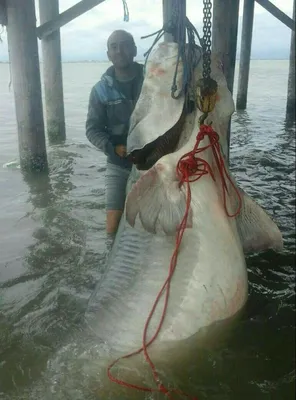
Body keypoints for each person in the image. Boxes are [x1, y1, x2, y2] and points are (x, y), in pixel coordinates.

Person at [85, 30, 144, 242]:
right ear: (108, 54)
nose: (120, 50)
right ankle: (111, 257)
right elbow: (92, 130)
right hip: (118, 161)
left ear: (135, 50)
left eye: (125, 45)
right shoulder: (100, 90)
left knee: (158, 220)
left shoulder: (154, 80)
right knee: (112, 222)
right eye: (114, 46)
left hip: (154, 161)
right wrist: (112, 148)